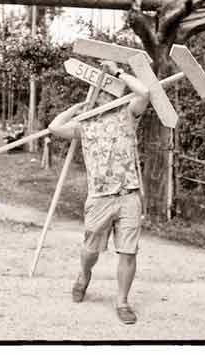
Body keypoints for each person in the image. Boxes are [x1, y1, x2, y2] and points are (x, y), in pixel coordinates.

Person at [48, 60, 150, 325]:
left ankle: (123, 302)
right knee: (90, 250)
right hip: (99, 197)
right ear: (94, 96)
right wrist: (77, 109)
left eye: (111, 90)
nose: (105, 95)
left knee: (128, 251)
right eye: (101, 91)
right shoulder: (85, 126)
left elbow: (145, 93)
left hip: (128, 193)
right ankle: (84, 274)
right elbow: (54, 127)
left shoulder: (128, 114)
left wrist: (119, 72)